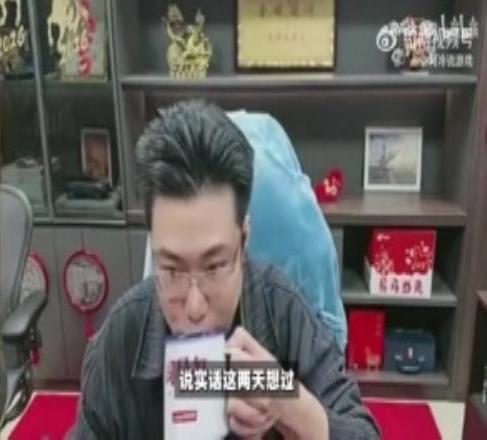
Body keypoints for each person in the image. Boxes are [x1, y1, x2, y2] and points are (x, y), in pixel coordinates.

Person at [72, 100, 380, 439]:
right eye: (172, 269)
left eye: (215, 266)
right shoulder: (122, 340)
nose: (194, 308)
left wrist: (288, 403)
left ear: (244, 240)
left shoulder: (281, 311)